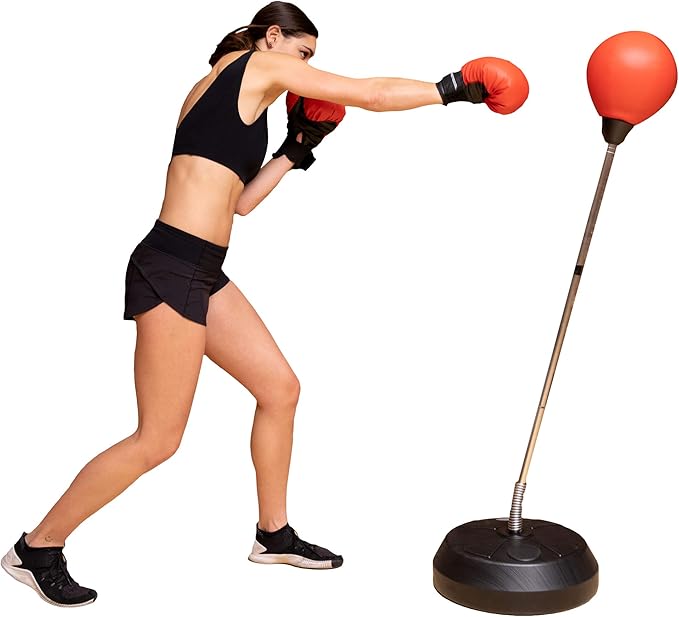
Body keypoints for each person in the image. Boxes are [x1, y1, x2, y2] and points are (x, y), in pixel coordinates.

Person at [1, 1, 528, 607]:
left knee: (280, 389)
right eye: (304, 54)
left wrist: (296, 148)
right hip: (171, 265)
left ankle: (272, 536)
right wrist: (452, 88)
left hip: (202, 268)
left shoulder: (227, 86)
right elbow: (372, 94)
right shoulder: (256, 66)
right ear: (272, 37)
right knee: (157, 439)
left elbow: (240, 203)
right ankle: (38, 547)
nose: (306, 69)